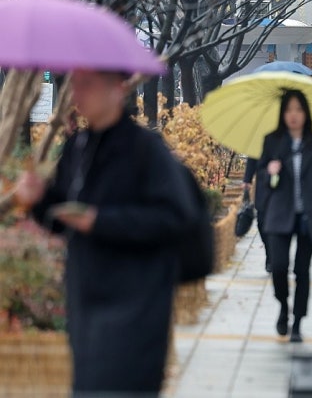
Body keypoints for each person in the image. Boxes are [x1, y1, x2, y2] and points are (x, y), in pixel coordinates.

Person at [15, 70, 197, 395]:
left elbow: (173, 218)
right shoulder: (78, 146)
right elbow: (63, 218)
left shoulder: (146, 149)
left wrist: (100, 221)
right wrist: (39, 200)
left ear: (117, 89)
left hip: (136, 303)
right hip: (86, 298)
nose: (77, 94)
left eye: (88, 84)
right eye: (75, 84)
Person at [256, 90, 312, 342]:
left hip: (308, 216)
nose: (293, 115)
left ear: (306, 113)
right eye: (289, 110)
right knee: (279, 266)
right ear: (283, 113)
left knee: (302, 270)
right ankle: (283, 306)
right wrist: (269, 172)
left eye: (298, 109)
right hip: (279, 213)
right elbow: (262, 178)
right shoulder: (273, 141)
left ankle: (298, 321)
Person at [243, 157, 272, 272]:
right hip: (263, 185)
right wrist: (247, 179)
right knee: (261, 222)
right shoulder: (259, 145)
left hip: (283, 188)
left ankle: (275, 257)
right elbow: (252, 157)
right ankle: (270, 252)